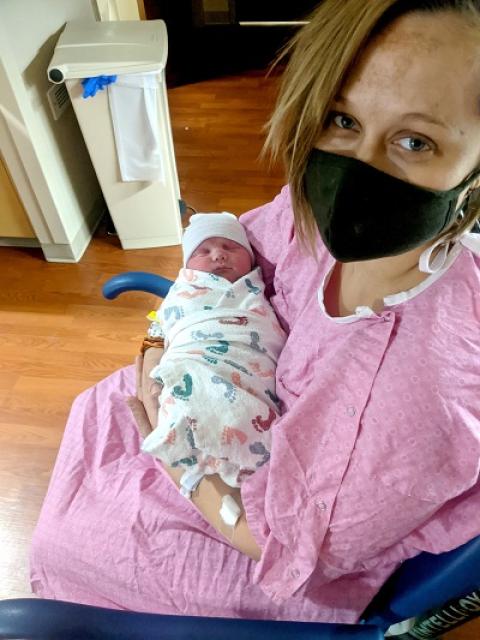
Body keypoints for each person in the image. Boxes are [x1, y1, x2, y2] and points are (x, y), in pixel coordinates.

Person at [30, 0, 480, 624]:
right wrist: (165, 336)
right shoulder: (315, 220)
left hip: (275, 546)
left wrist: (174, 450)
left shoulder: (420, 390)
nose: (357, 172)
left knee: (65, 544)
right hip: (225, 401)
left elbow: (289, 550)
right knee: (97, 411)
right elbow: (248, 245)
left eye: (415, 140)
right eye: (342, 119)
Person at [138, 213, 285, 503]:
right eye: (204, 251)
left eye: (230, 248)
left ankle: (231, 457)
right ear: (187, 266)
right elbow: (163, 326)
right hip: (196, 354)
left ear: (251, 260)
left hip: (244, 358)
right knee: (183, 394)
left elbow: (267, 332)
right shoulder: (181, 292)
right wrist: (155, 352)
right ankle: (194, 445)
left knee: (250, 413)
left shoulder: (255, 293)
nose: (218, 255)